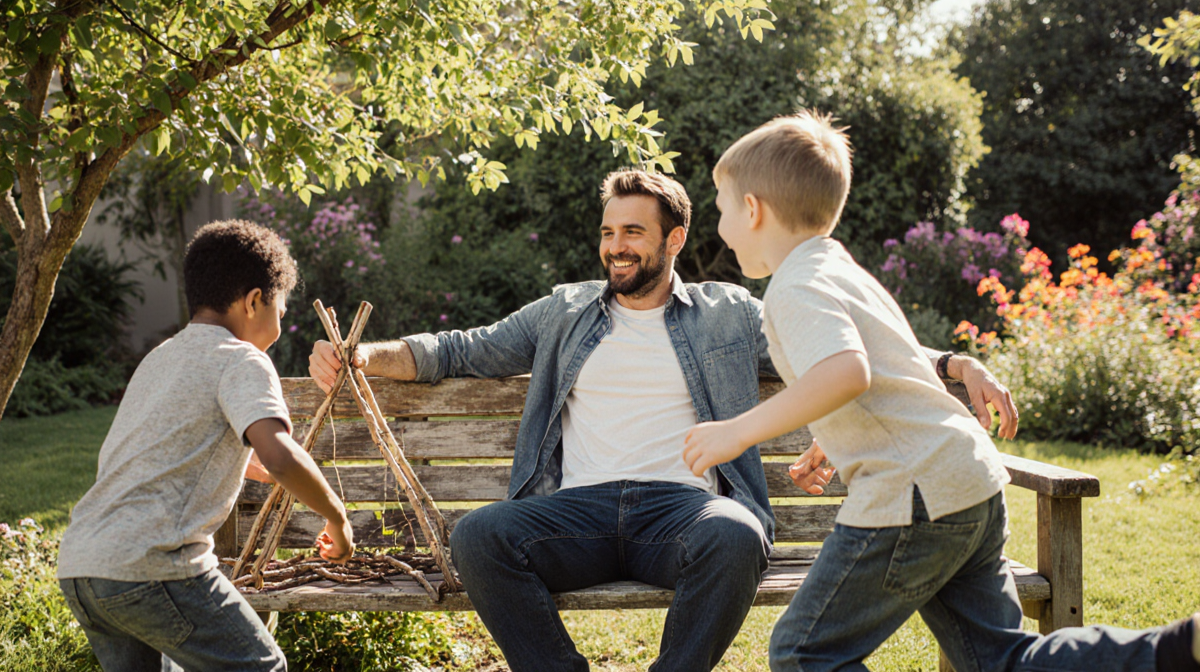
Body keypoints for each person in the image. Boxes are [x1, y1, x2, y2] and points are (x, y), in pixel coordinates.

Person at [308, 169, 1019, 672]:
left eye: (634, 232)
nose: (616, 245)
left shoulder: (729, 312)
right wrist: (362, 355)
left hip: (684, 512)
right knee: (480, 535)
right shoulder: (564, 310)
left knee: (736, 534)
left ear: (674, 239)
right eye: (608, 231)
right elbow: (458, 350)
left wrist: (955, 364)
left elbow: (849, 349)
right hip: (577, 513)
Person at [681, 110, 1200, 672]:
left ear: (752, 209)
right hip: (967, 481)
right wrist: (836, 432)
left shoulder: (795, 286)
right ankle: (1174, 649)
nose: (720, 226)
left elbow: (846, 371)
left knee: (803, 652)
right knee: (1001, 660)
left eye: (721, 209)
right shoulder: (838, 270)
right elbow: (890, 372)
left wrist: (736, 432)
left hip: (915, 494)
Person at [57, 220, 355, 672]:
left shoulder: (160, 358)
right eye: (280, 309)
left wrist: (242, 464)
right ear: (253, 301)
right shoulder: (243, 359)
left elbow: (164, 445)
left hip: (84, 564)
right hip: (154, 564)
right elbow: (280, 455)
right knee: (262, 667)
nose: (280, 324)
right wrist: (337, 517)